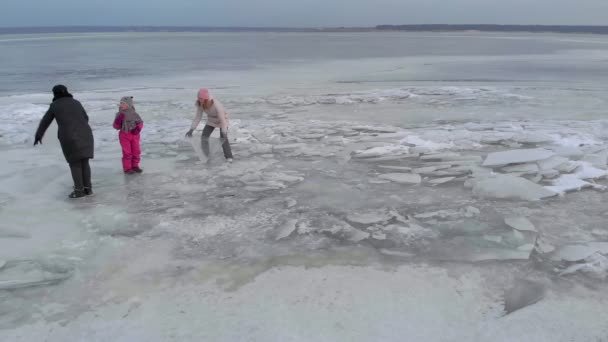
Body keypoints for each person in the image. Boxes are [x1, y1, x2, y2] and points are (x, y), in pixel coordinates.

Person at [34, 85, 94, 199]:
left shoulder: (54, 105)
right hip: (86, 134)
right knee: (84, 162)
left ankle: (79, 191)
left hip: (69, 137)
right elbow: (85, 117)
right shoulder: (76, 102)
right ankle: (88, 189)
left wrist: (38, 135)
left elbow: (45, 121)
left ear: (55, 94)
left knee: (75, 162)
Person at [185, 88, 233, 162]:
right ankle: (206, 155)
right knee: (204, 136)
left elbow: (222, 120)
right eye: (199, 99)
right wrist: (191, 130)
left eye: (202, 99)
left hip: (222, 120)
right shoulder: (199, 104)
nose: (200, 101)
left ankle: (229, 157)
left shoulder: (216, 105)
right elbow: (198, 117)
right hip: (211, 120)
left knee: (224, 138)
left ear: (207, 99)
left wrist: (224, 132)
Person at [113, 96, 144, 174]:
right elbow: (116, 126)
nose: (121, 105)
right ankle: (127, 168)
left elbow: (140, 122)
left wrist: (137, 129)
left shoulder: (134, 113)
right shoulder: (120, 114)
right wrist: (118, 121)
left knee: (136, 151)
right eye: (120, 103)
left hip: (134, 135)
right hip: (124, 135)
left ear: (128, 104)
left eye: (123, 103)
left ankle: (135, 166)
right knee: (127, 152)